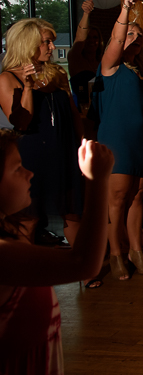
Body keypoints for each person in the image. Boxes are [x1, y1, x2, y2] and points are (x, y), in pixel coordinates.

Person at [0, 135, 114, 375]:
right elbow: (83, 264)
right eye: (17, 168)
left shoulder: (11, 237)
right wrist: (97, 181)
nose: (29, 173)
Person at [91, 0, 143, 281]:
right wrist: (126, 10)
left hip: (141, 141)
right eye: (127, 34)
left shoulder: (140, 71)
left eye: (137, 34)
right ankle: (116, 253)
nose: (132, 37)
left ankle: (136, 250)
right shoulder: (110, 66)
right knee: (116, 200)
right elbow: (118, 40)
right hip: (116, 140)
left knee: (138, 197)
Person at [0, 19, 84, 256]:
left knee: (73, 213)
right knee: (30, 219)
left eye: (51, 42)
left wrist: (81, 144)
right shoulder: (7, 79)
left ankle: (83, 269)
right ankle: (26, 277)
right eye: (45, 42)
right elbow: (22, 122)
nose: (51, 47)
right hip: (32, 155)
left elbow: (73, 113)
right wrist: (27, 88)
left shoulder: (57, 73)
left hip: (64, 151)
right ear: (27, 44)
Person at [67, 0, 103, 113]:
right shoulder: (76, 59)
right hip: (81, 110)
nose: (91, 41)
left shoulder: (102, 61)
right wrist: (86, 13)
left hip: (102, 108)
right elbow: (79, 39)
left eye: (95, 37)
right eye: (88, 37)